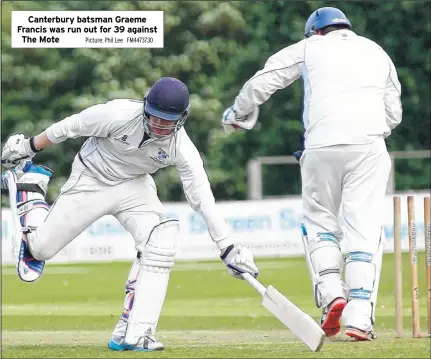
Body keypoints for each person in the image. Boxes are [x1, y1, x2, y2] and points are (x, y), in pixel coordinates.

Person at [1, 77, 259, 352]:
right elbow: (71, 126)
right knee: (38, 250)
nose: (159, 126)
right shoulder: (119, 113)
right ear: (145, 107)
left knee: (160, 240)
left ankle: (135, 331)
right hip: (91, 178)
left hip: (135, 187)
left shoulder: (181, 148)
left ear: (181, 119)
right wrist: (29, 147)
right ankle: (31, 186)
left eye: (167, 121)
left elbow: (201, 196)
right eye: (154, 117)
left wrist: (227, 247)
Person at [221, 7, 402, 341]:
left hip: (321, 148)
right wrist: (369, 129)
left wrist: (237, 112)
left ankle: (332, 291)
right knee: (363, 228)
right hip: (369, 146)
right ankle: (360, 318)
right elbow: (394, 112)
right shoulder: (377, 51)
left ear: (315, 31)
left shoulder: (308, 48)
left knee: (319, 224)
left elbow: (264, 80)